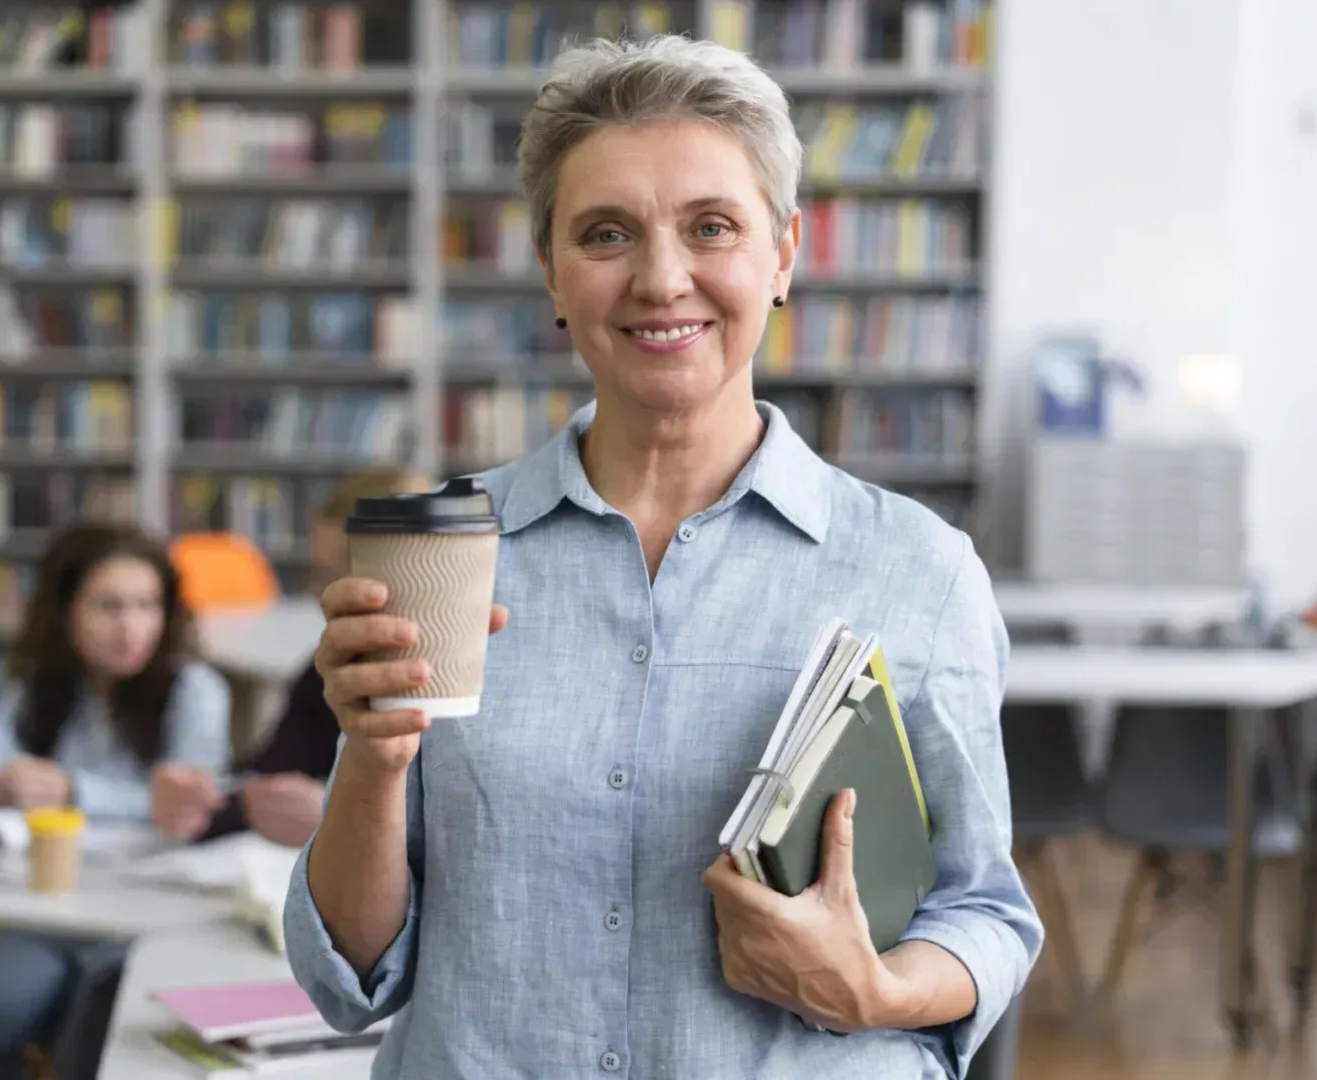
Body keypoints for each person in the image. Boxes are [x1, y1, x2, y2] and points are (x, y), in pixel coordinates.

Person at [286, 35, 1042, 1080]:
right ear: (548, 266)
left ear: (782, 254)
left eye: (710, 227)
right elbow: (348, 978)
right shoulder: (443, 548)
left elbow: (983, 913)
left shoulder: (918, 570)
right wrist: (371, 764)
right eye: (605, 234)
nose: (660, 278)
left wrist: (876, 990)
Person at [0, 523, 231, 1080]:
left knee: (86, 1043)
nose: (131, 627)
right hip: (55, 910)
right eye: (107, 606)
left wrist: (72, 790)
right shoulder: (46, 685)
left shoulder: (195, 691)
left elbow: (189, 806)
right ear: (66, 612)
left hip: (152, 915)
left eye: (146, 605)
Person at [151, 467, 429, 848]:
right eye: (317, 576)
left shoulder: (468, 691)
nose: (321, 596)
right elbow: (266, 780)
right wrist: (203, 801)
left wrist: (340, 815)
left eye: (335, 576)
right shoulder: (327, 672)